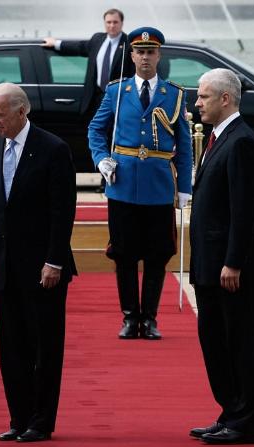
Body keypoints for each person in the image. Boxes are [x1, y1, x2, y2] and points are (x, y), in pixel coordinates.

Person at [0, 82, 77, 442]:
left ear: (22, 112)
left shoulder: (53, 149)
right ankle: (18, 418)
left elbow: (62, 211)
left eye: (0, 114)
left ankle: (41, 420)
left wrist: (54, 260)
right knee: (12, 347)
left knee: (44, 347)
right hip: (5, 266)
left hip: (43, 269)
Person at [88, 27, 192, 340]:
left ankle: (150, 318)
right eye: (139, 52)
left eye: (150, 52)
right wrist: (101, 158)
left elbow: (183, 147)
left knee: (158, 254)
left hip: (159, 186)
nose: (145, 57)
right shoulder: (117, 91)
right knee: (124, 253)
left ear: (159, 55)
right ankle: (130, 317)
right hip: (122, 184)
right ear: (131, 55)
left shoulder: (173, 94)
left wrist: (184, 188)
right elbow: (95, 129)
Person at [188, 68, 254, 445]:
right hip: (210, 266)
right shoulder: (219, 138)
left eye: (203, 97)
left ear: (225, 98)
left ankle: (245, 421)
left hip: (234, 269)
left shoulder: (241, 142)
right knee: (216, 344)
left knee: (241, 344)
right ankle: (230, 413)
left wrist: (233, 261)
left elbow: (244, 210)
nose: (196, 103)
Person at [43, 8, 135, 192]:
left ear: (121, 23)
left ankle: (108, 180)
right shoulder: (98, 40)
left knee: (114, 139)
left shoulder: (129, 44)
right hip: (96, 98)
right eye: (108, 22)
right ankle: (103, 173)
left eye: (115, 22)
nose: (111, 25)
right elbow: (79, 47)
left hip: (118, 99)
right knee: (97, 135)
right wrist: (56, 43)